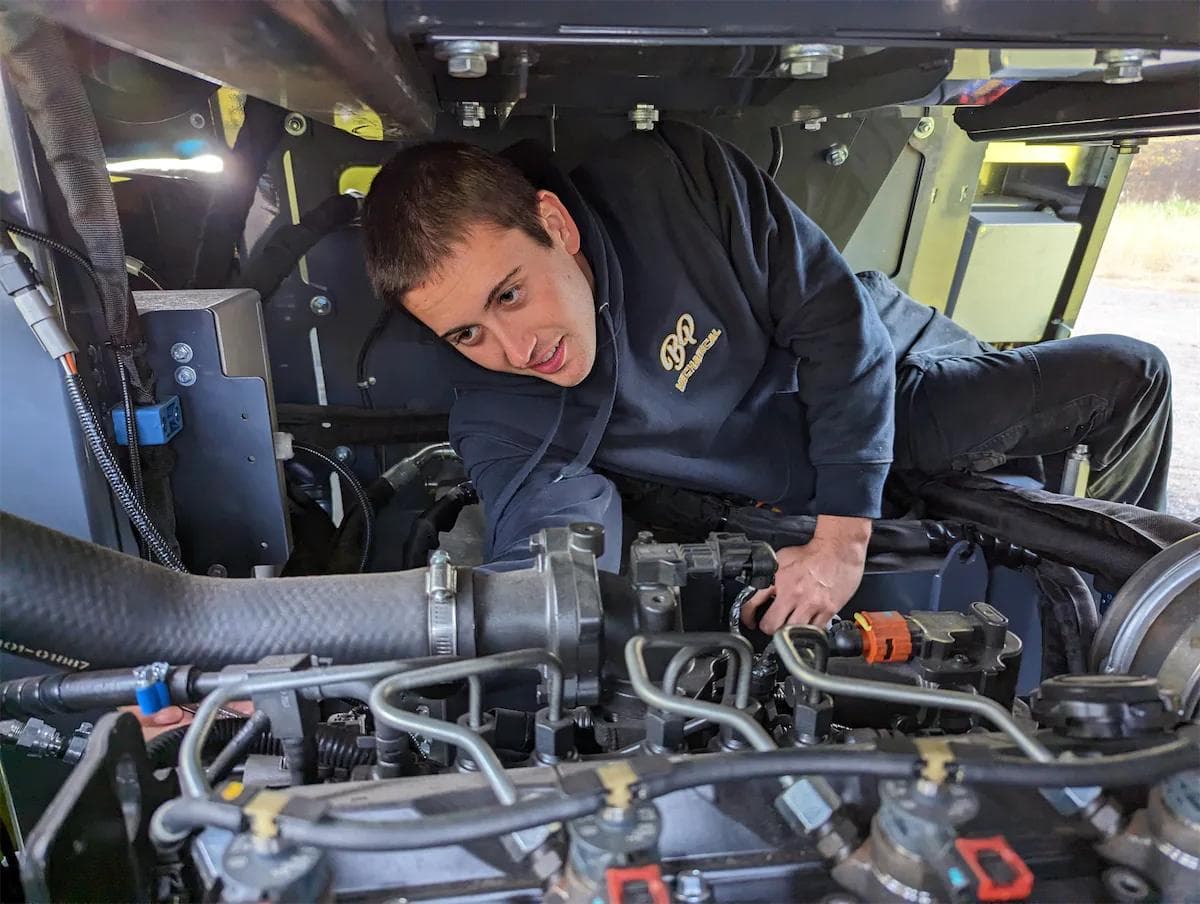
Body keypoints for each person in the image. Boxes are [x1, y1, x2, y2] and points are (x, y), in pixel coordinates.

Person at [362, 122, 1172, 634]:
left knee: (1130, 373)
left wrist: (843, 538)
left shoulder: (678, 186)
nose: (514, 347)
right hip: (764, 498)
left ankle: (1133, 598)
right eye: (467, 332)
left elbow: (837, 327)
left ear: (555, 224)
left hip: (885, 403)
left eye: (510, 294)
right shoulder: (495, 410)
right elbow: (544, 544)